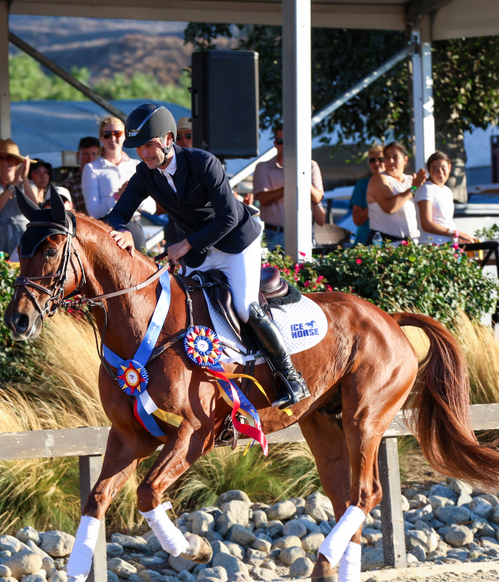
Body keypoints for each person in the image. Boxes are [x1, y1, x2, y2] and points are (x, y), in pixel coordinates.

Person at [107, 102, 310, 410]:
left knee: (244, 306)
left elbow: (228, 216)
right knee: (184, 309)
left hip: (236, 243)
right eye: (139, 148)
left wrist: (186, 244)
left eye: (149, 145)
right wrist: (121, 231)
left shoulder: (204, 162)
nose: (144, 154)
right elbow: (118, 214)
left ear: (169, 139)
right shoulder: (145, 174)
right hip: (199, 251)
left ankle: (290, 376)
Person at [82, 115, 156, 250]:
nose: (113, 138)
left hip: (134, 225)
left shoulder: (137, 165)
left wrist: (133, 194)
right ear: (101, 138)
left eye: (117, 133)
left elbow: (152, 208)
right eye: (107, 134)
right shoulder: (91, 168)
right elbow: (93, 213)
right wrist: (118, 196)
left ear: (125, 136)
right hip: (107, 228)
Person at [252, 125, 325, 249]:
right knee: (273, 269)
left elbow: (317, 198)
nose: (285, 146)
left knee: (304, 268)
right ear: (275, 143)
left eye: (290, 142)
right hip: (274, 233)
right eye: (281, 142)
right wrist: (291, 184)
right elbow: (263, 199)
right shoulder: (263, 167)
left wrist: (301, 177)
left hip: (303, 233)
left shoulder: (311, 166)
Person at [366, 141, 426, 243]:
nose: (390, 161)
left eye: (395, 157)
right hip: (386, 245)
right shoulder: (379, 179)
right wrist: (414, 188)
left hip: (412, 244)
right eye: (387, 157)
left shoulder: (411, 180)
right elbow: (390, 207)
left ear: (405, 160)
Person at [415, 151, 476, 245]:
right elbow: (426, 224)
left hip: (448, 245)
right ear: (428, 170)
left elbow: (444, 222)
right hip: (432, 245)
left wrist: (458, 239)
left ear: (449, 168)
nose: (440, 172)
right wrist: (457, 233)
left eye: (443, 168)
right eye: (435, 169)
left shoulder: (447, 191)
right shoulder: (426, 189)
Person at [350, 146, 386, 245]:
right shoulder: (362, 185)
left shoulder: (396, 183)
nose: (376, 163)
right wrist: (374, 202)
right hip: (365, 243)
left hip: (392, 244)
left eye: (381, 159)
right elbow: (357, 220)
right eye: (372, 160)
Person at [64, 137, 100, 213]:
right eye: (86, 154)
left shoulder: (105, 180)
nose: (90, 158)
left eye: (94, 154)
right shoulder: (69, 184)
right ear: (78, 155)